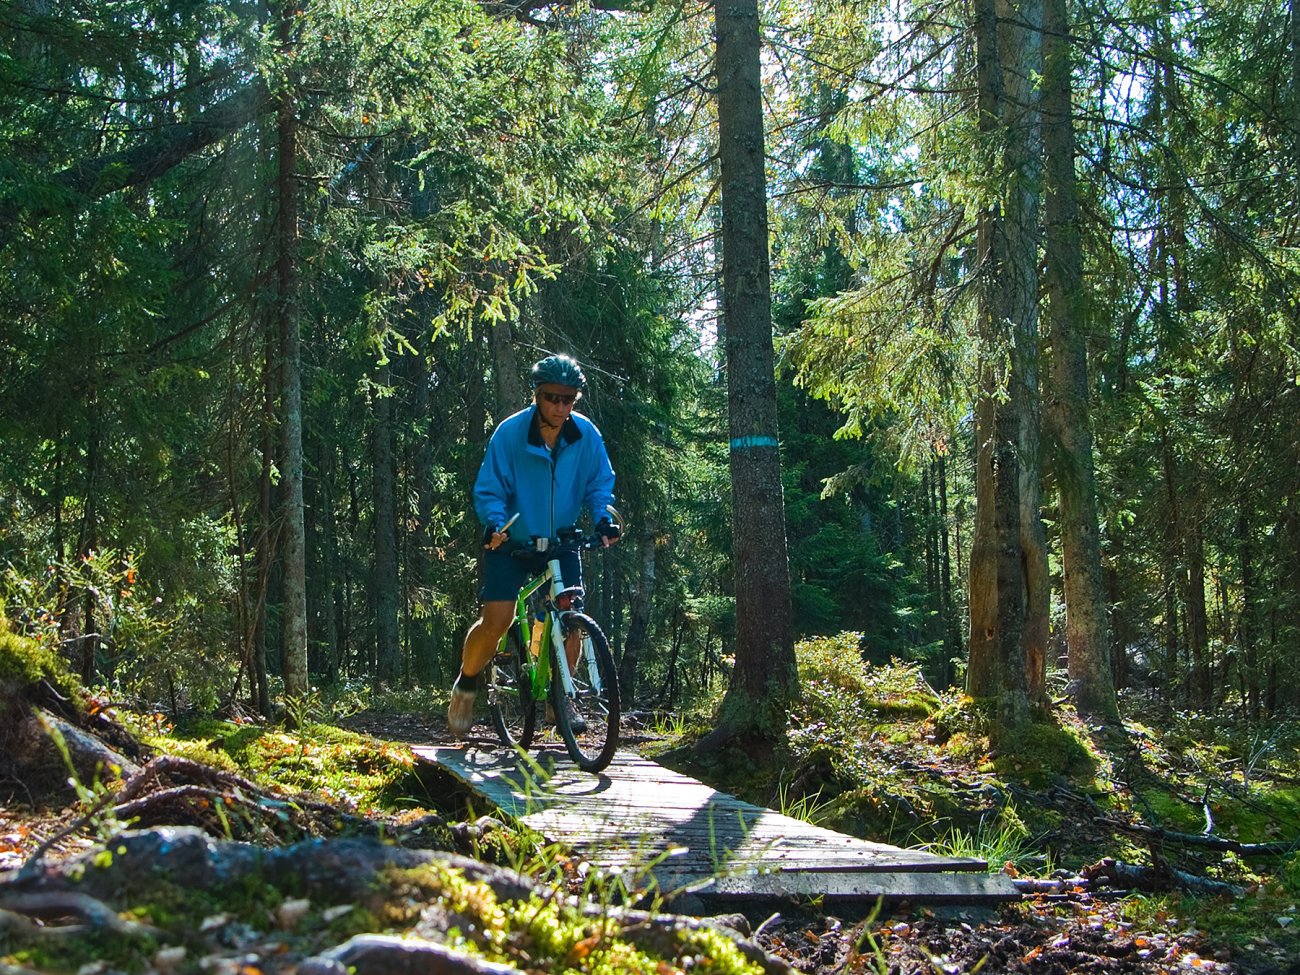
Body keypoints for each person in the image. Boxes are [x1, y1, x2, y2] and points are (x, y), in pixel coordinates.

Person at [448, 354, 619, 737]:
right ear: (537, 396)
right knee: (497, 622)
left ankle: (560, 699)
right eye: (552, 398)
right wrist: (494, 524)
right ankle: (467, 683)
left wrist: (603, 517)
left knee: (570, 618)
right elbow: (489, 489)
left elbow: (598, 484)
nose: (561, 406)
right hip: (512, 541)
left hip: (560, 541)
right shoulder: (510, 434)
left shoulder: (585, 435)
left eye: (569, 399)